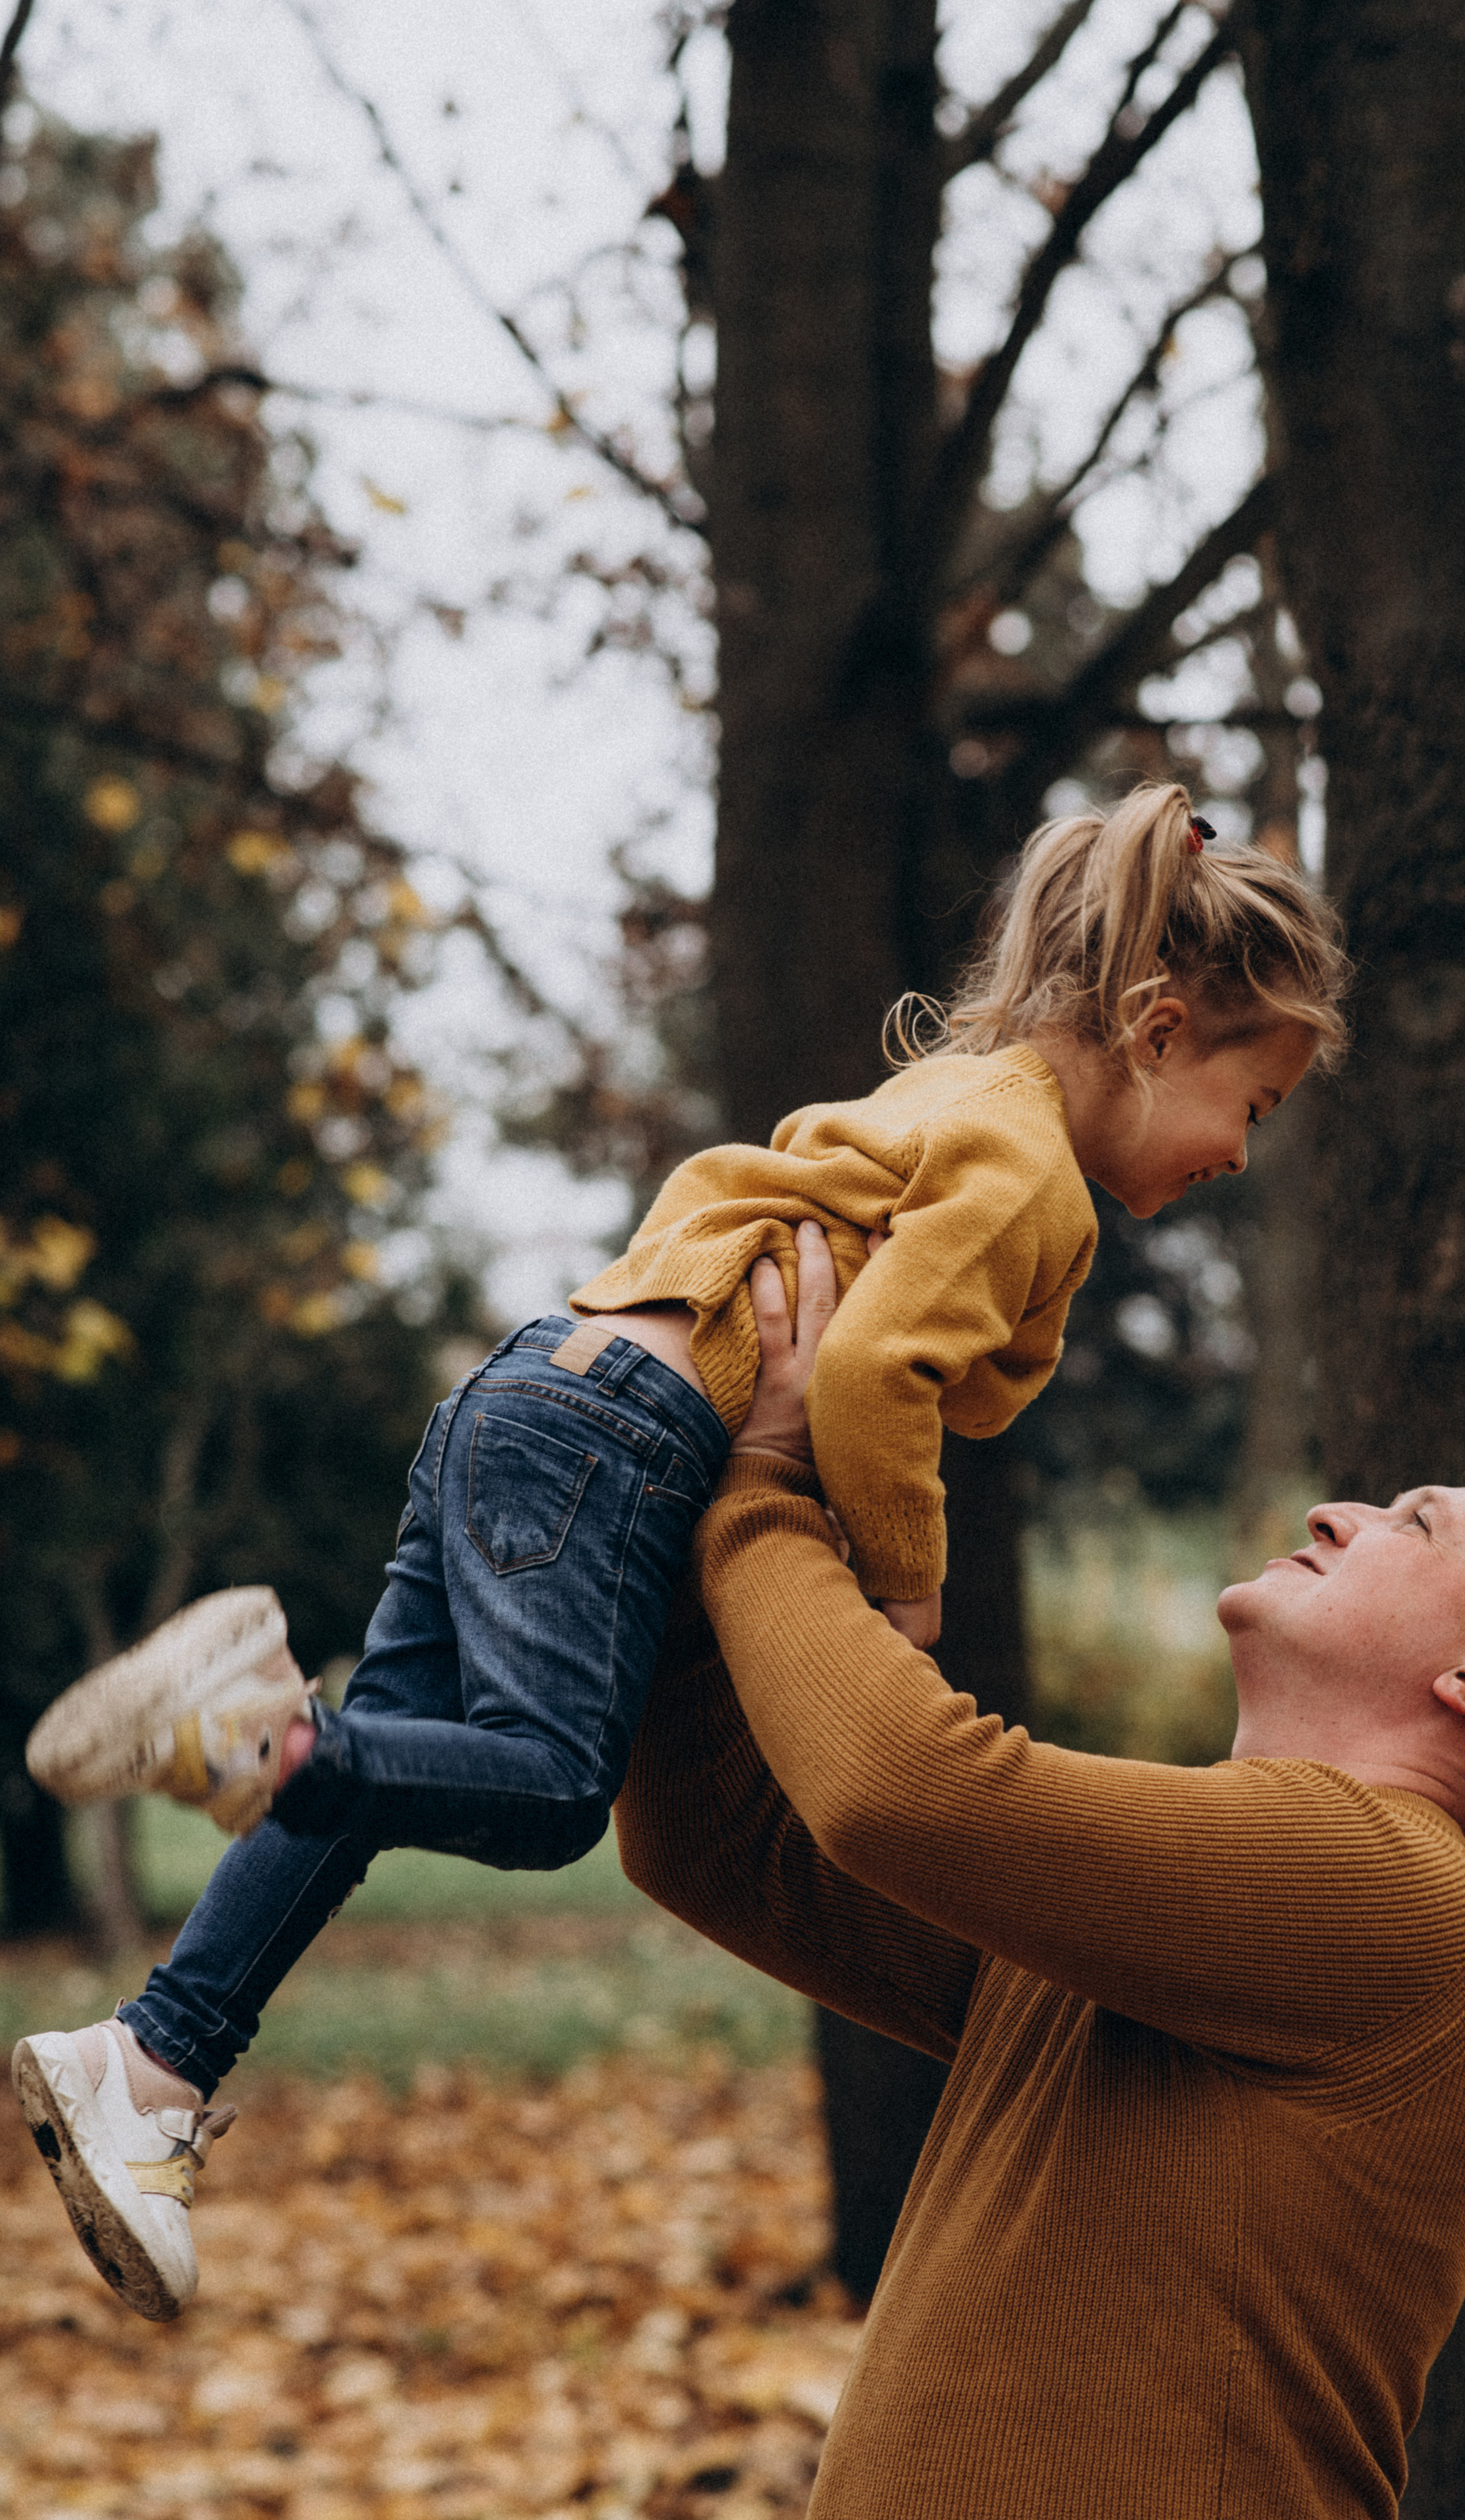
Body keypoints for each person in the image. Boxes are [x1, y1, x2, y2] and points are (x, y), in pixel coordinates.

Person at [16, 782, 1349, 2321]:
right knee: (544, 1788)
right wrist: (899, 1591)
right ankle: (260, 1730)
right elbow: (864, 1376)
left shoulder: (954, 1094)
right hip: (622, 1437)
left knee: (404, 1758)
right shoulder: (1030, 1167)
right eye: (1254, 1109)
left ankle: (150, 2062)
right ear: (1161, 1028)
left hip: (530, 1391)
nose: (1243, 1157)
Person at [613, 1225, 1465, 2520]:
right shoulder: (1167, 1924)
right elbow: (723, 1847)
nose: (1334, 1511)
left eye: (1414, 1521)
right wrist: (667, 1519)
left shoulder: (1412, 1904)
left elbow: (899, 1789)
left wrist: (769, 1480)